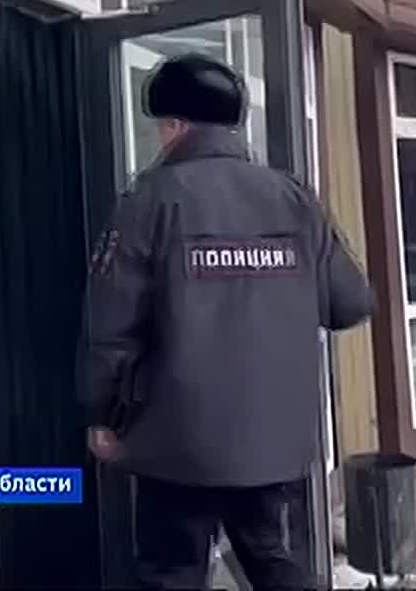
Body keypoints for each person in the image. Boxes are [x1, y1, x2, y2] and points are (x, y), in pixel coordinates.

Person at [78, 53, 375, 589]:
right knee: (273, 562)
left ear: (175, 126)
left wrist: (102, 415)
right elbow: (349, 303)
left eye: (159, 126)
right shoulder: (295, 198)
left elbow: (111, 325)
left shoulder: (148, 200)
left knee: (173, 573)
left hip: (176, 441)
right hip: (274, 442)